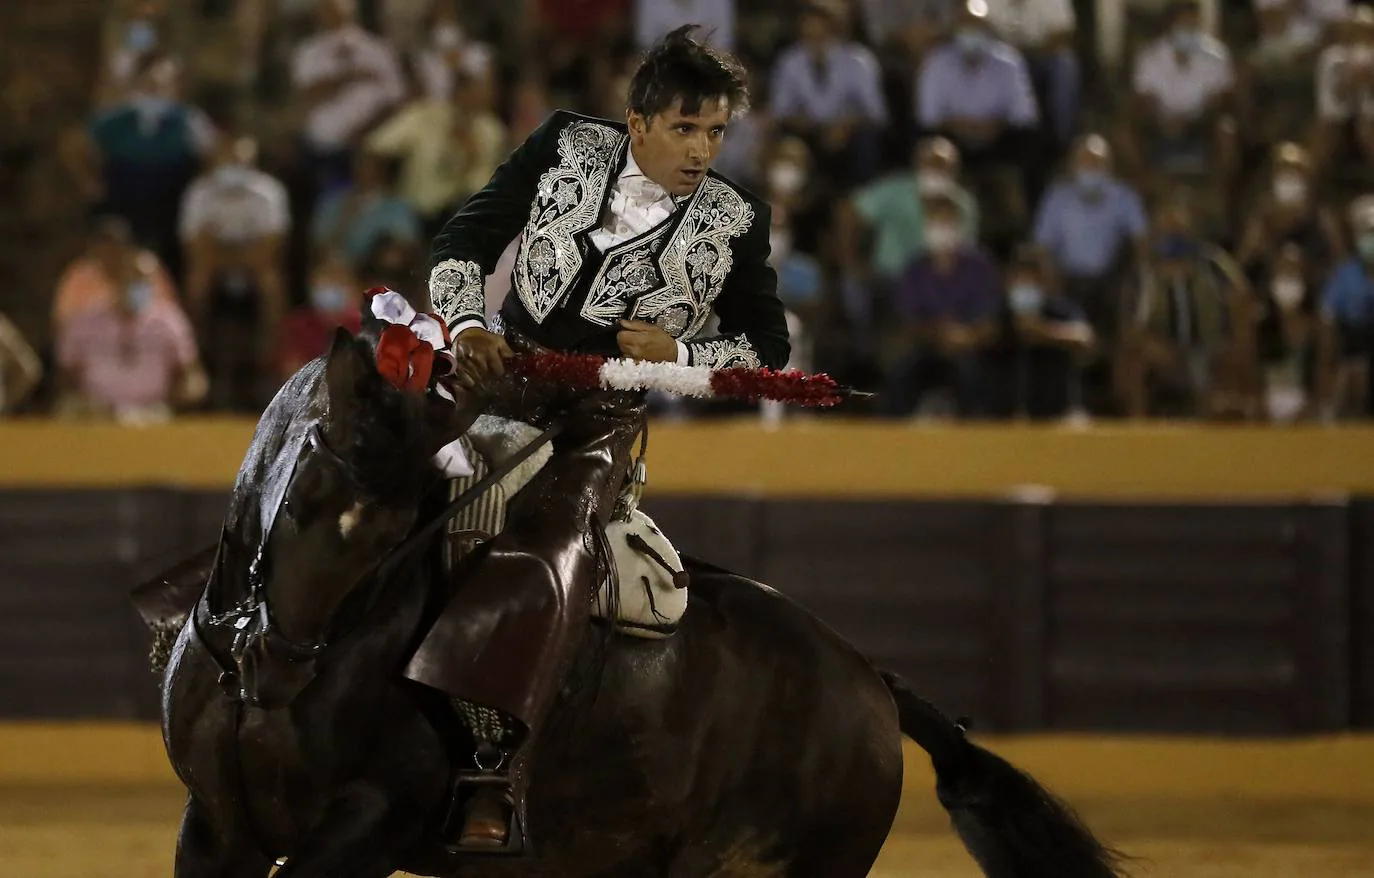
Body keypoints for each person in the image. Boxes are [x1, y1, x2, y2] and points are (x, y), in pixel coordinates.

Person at [404, 25, 790, 854]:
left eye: (717, 132)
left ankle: (490, 768)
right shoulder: (562, 144)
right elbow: (461, 242)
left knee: (530, 553)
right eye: (685, 129)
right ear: (636, 121)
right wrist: (468, 323)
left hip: (593, 431)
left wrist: (680, 353)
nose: (701, 150)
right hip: (489, 389)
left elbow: (768, 356)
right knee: (363, 488)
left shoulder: (736, 220)